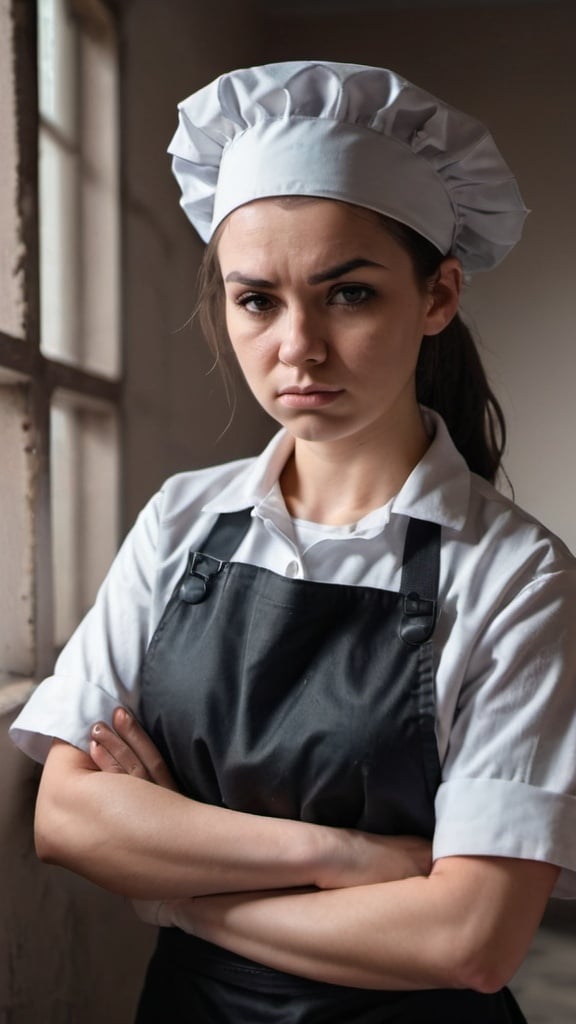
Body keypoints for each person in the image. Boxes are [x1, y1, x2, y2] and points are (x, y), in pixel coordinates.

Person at [10, 60, 576, 1023]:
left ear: (437, 296)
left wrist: (175, 888)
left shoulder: (517, 575)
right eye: (256, 300)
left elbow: (469, 940)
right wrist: (343, 858)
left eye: (348, 295)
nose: (297, 347)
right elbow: (65, 817)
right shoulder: (181, 520)